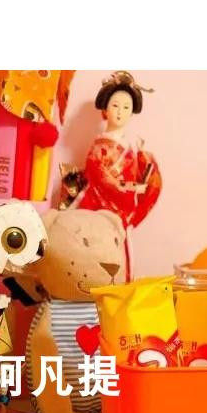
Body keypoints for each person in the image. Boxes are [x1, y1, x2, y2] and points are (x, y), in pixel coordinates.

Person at [74, 71, 162, 275]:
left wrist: (144, 157)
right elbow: (100, 178)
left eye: (126, 107)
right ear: (105, 109)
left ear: (132, 113)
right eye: (115, 105)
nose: (120, 112)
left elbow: (148, 179)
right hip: (100, 211)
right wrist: (129, 189)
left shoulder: (133, 147)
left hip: (122, 214)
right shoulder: (99, 147)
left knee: (121, 259)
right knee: (96, 260)